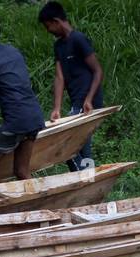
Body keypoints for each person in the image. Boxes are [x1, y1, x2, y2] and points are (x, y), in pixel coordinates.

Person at [0, 14, 46, 185]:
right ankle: (34, 204)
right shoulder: (13, 52)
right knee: (21, 171)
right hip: (35, 117)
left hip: (16, 122)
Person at [39, 2, 105, 172]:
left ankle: (86, 180)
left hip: (89, 101)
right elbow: (59, 77)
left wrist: (90, 99)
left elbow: (97, 71)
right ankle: (88, 179)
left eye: (48, 26)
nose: (48, 31)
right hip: (77, 102)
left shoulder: (78, 39)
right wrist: (57, 108)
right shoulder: (59, 45)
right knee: (80, 145)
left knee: (68, 144)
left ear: (56, 21)